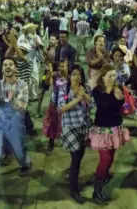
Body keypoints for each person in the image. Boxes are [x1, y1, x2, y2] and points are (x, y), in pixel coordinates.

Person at [0, 57, 32, 200]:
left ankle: (25, 163)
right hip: (0, 123)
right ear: (2, 69)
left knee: (20, 153)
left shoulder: (23, 85)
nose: (7, 67)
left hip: (16, 123)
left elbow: (23, 106)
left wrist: (11, 99)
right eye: (5, 65)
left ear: (15, 68)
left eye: (10, 64)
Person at [90, 64, 130, 203]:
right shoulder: (97, 90)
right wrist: (110, 91)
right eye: (110, 76)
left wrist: (121, 98)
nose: (113, 78)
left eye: (114, 75)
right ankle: (96, 191)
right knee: (105, 159)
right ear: (103, 77)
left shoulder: (118, 89)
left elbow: (121, 105)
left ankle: (105, 175)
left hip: (115, 128)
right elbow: (102, 104)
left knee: (111, 156)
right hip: (102, 130)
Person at [53, 64, 92, 204]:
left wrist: (85, 96)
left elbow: (92, 104)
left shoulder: (86, 88)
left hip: (84, 127)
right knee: (75, 159)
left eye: (80, 74)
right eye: (74, 74)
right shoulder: (64, 88)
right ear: (69, 76)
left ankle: (73, 180)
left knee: (79, 157)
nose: (77, 77)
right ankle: (74, 190)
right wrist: (77, 98)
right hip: (70, 128)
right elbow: (61, 109)